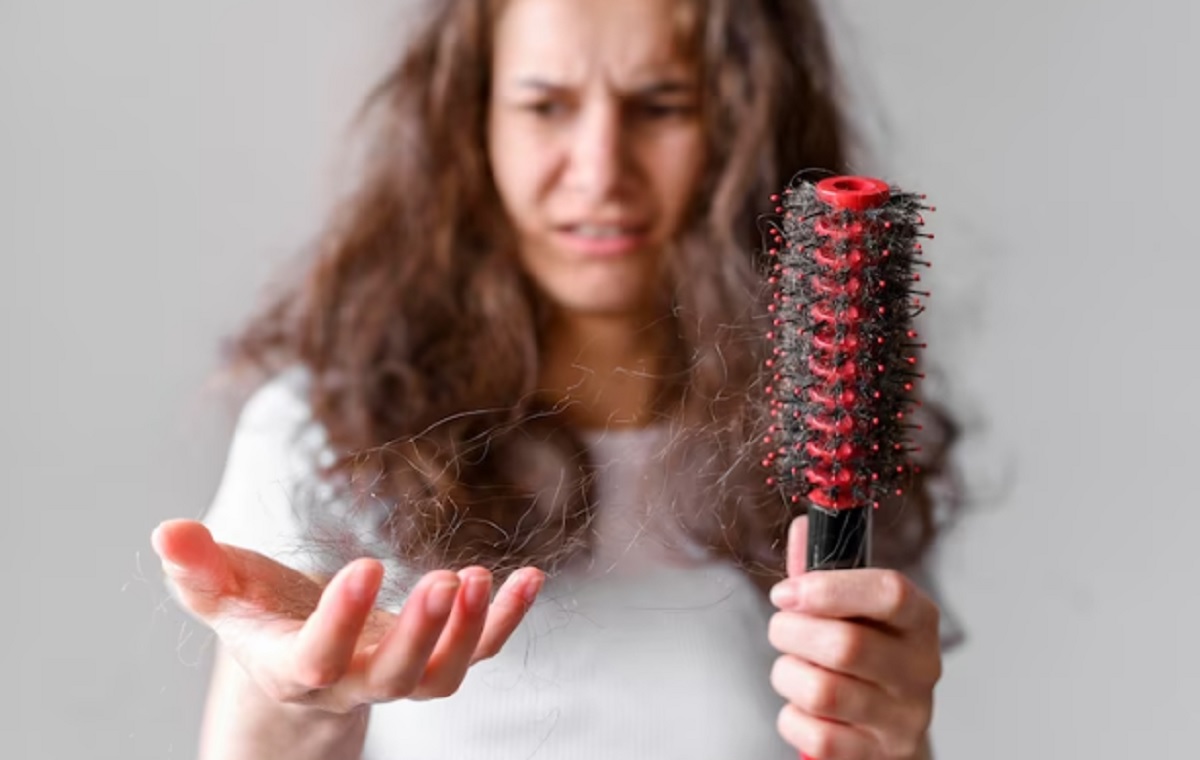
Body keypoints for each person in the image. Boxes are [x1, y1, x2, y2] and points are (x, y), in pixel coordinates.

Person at [152, 0, 960, 757]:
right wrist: (289, 695)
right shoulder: (322, 432)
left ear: (743, 125)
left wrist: (894, 743)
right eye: (545, 106)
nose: (602, 168)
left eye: (661, 105)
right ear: (474, 123)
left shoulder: (833, 441)